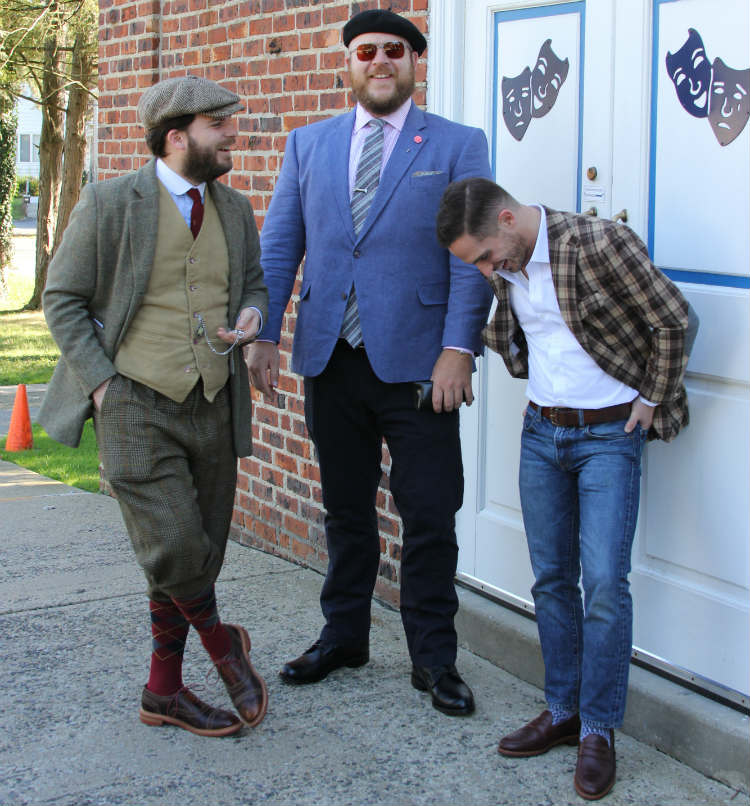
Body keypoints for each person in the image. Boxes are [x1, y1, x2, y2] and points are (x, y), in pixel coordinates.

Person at [245, 9, 493, 716]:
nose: (379, 61)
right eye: (366, 52)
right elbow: (280, 246)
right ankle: (344, 635)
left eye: (394, 50)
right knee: (347, 511)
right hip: (331, 354)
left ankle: (434, 659)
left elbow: (471, 259)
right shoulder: (308, 144)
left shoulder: (456, 144)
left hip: (421, 365)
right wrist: (263, 332)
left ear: (416, 62)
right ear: (346, 65)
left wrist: (458, 349)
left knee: (429, 513)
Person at [436, 177, 695, 798]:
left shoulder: (600, 242)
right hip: (541, 435)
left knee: (604, 584)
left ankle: (599, 729)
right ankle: (562, 711)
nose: (482, 270)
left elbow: (674, 319)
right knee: (551, 580)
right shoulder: (508, 264)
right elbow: (524, 335)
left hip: (609, 437)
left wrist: (652, 397)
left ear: (505, 219)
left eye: (481, 256)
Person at [39, 75, 270, 738]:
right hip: (135, 399)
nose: (233, 134)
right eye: (219, 124)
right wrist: (104, 384)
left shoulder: (234, 210)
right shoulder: (112, 203)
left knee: (197, 551)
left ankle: (162, 692)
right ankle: (225, 650)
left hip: (213, 403)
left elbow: (250, 281)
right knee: (173, 545)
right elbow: (63, 299)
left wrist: (251, 314)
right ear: (177, 136)